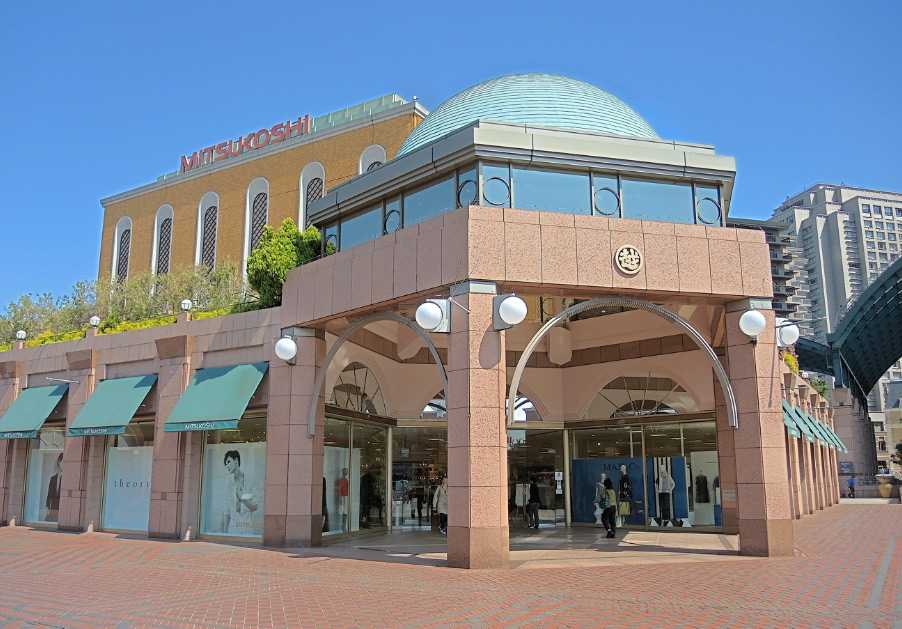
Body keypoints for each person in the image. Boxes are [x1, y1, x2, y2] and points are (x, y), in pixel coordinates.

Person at [222, 450, 258, 534]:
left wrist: (242, 498)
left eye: (228, 462)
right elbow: (226, 511)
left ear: (236, 461)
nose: (227, 466)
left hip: (247, 528)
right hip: (232, 529)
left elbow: (254, 507)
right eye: (226, 464)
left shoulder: (249, 481)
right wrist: (223, 534)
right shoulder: (228, 483)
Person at [45, 453, 63, 522]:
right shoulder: (53, 478)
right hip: (53, 507)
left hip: (62, 507)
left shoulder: (67, 479)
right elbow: (49, 494)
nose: (63, 464)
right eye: (62, 461)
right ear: (59, 462)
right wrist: (48, 507)